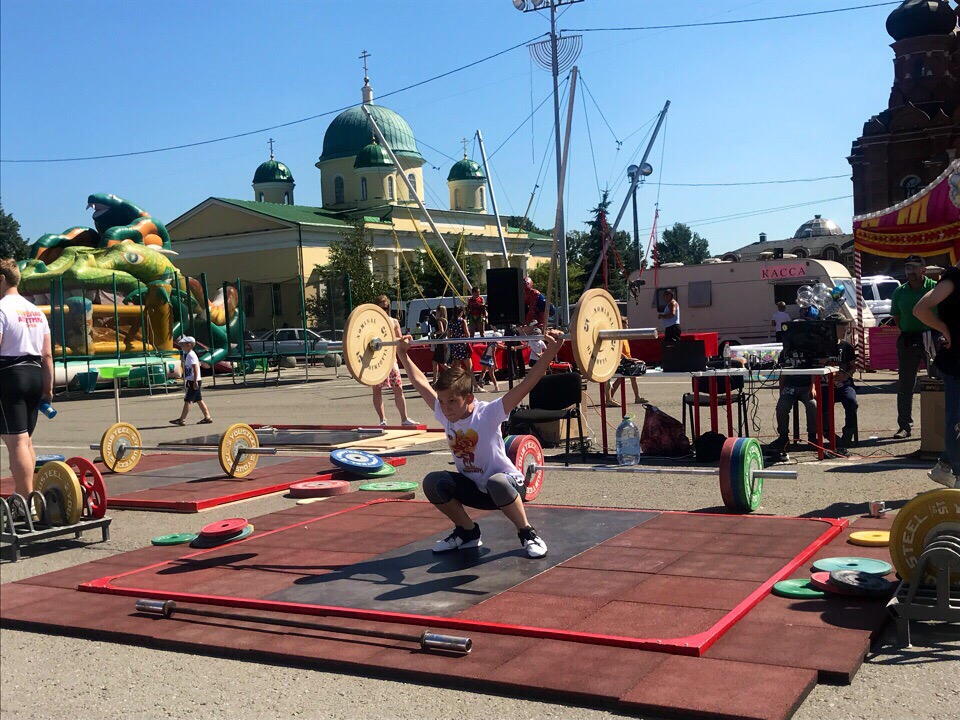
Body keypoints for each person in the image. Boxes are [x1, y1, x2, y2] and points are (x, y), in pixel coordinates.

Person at [395, 328, 565, 558]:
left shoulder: (488, 413)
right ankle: (468, 532)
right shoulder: (446, 414)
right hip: (475, 487)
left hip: (508, 487)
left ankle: (527, 532)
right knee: (433, 482)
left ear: (469, 398)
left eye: (452, 401)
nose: (445, 408)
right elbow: (420, 383)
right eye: (442, 402)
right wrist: (403, 354)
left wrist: (551, 352)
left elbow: (526, 384)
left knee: (497, 482)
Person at [0, 258, 54, 498]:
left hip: (10, 376)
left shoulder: (1, 309)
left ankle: (25, 500)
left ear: (2, 279)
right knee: (26, 441)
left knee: (17, 442)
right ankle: (28, 496)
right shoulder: (36, 311)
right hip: (34, 375)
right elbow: (47, 355)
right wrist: (48, 389)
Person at [912, 259, 959, 488]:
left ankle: (944, 466)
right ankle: (957, 474)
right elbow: (919, 309)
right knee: (956, 419)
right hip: (956, 360)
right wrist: (942, 327)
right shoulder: (952, 280)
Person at [891, 255, 936, 438]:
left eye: (913, 267)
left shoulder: (934, 288)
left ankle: (939, 425)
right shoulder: (900, 291)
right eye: (907, 267)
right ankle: (904, 426)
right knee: (905, 385)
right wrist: (908, 329)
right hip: (908, 339)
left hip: (932, 338)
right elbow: (897, 317)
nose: (909, 271)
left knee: (938, 382)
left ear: (923, 269)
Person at [370, 295, 419, 428]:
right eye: (381, 308)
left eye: (386, 308)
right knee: (377, 390)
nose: (384, 311)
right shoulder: (372, 322)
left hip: (390, 360)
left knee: (398, 389)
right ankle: (382, 420)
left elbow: (399, 340)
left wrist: (404, 339)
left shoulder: (393, 322)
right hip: (376, 360)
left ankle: (404, 418)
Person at [821, 319, 858, 452]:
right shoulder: (822, 347)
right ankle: (828, 432)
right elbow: (816, 366)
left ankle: (849, 430)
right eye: (842, 327)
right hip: (825, 384)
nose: (845, 330)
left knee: (851, 401)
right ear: (833, 329)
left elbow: (853, 367)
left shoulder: (846, 347)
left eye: (846, 327)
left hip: (844, 384)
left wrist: (845, 376)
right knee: (823, 403)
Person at [170, 336, 213, 426]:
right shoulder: (189, 354)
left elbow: (196, 367)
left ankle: (182, 419)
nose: (181, 347)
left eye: (182, 345)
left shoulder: (191, 355)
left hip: (194, 381)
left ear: (188, 345)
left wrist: (195, 381)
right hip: (193, 380)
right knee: (199, 399)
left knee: (188, 400)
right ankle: (207, 417)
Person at [447, 305, 473, 376]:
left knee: (457, 368)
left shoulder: (450, 322)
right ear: (461, 312)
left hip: (455, 345)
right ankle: (473, 382)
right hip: (463, 345)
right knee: (469, 367)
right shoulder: (462, 321)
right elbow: (467, 334)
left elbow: (448, 335)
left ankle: (457, 382)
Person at [431, 305, 449, 382]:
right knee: (435, 362)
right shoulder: (446, 321)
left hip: (440, 342)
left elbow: (441, 331)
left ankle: (454, 373)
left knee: (441, 363)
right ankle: (434, 380)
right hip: (444, 341)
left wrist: (434, 333)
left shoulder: (439, 321)